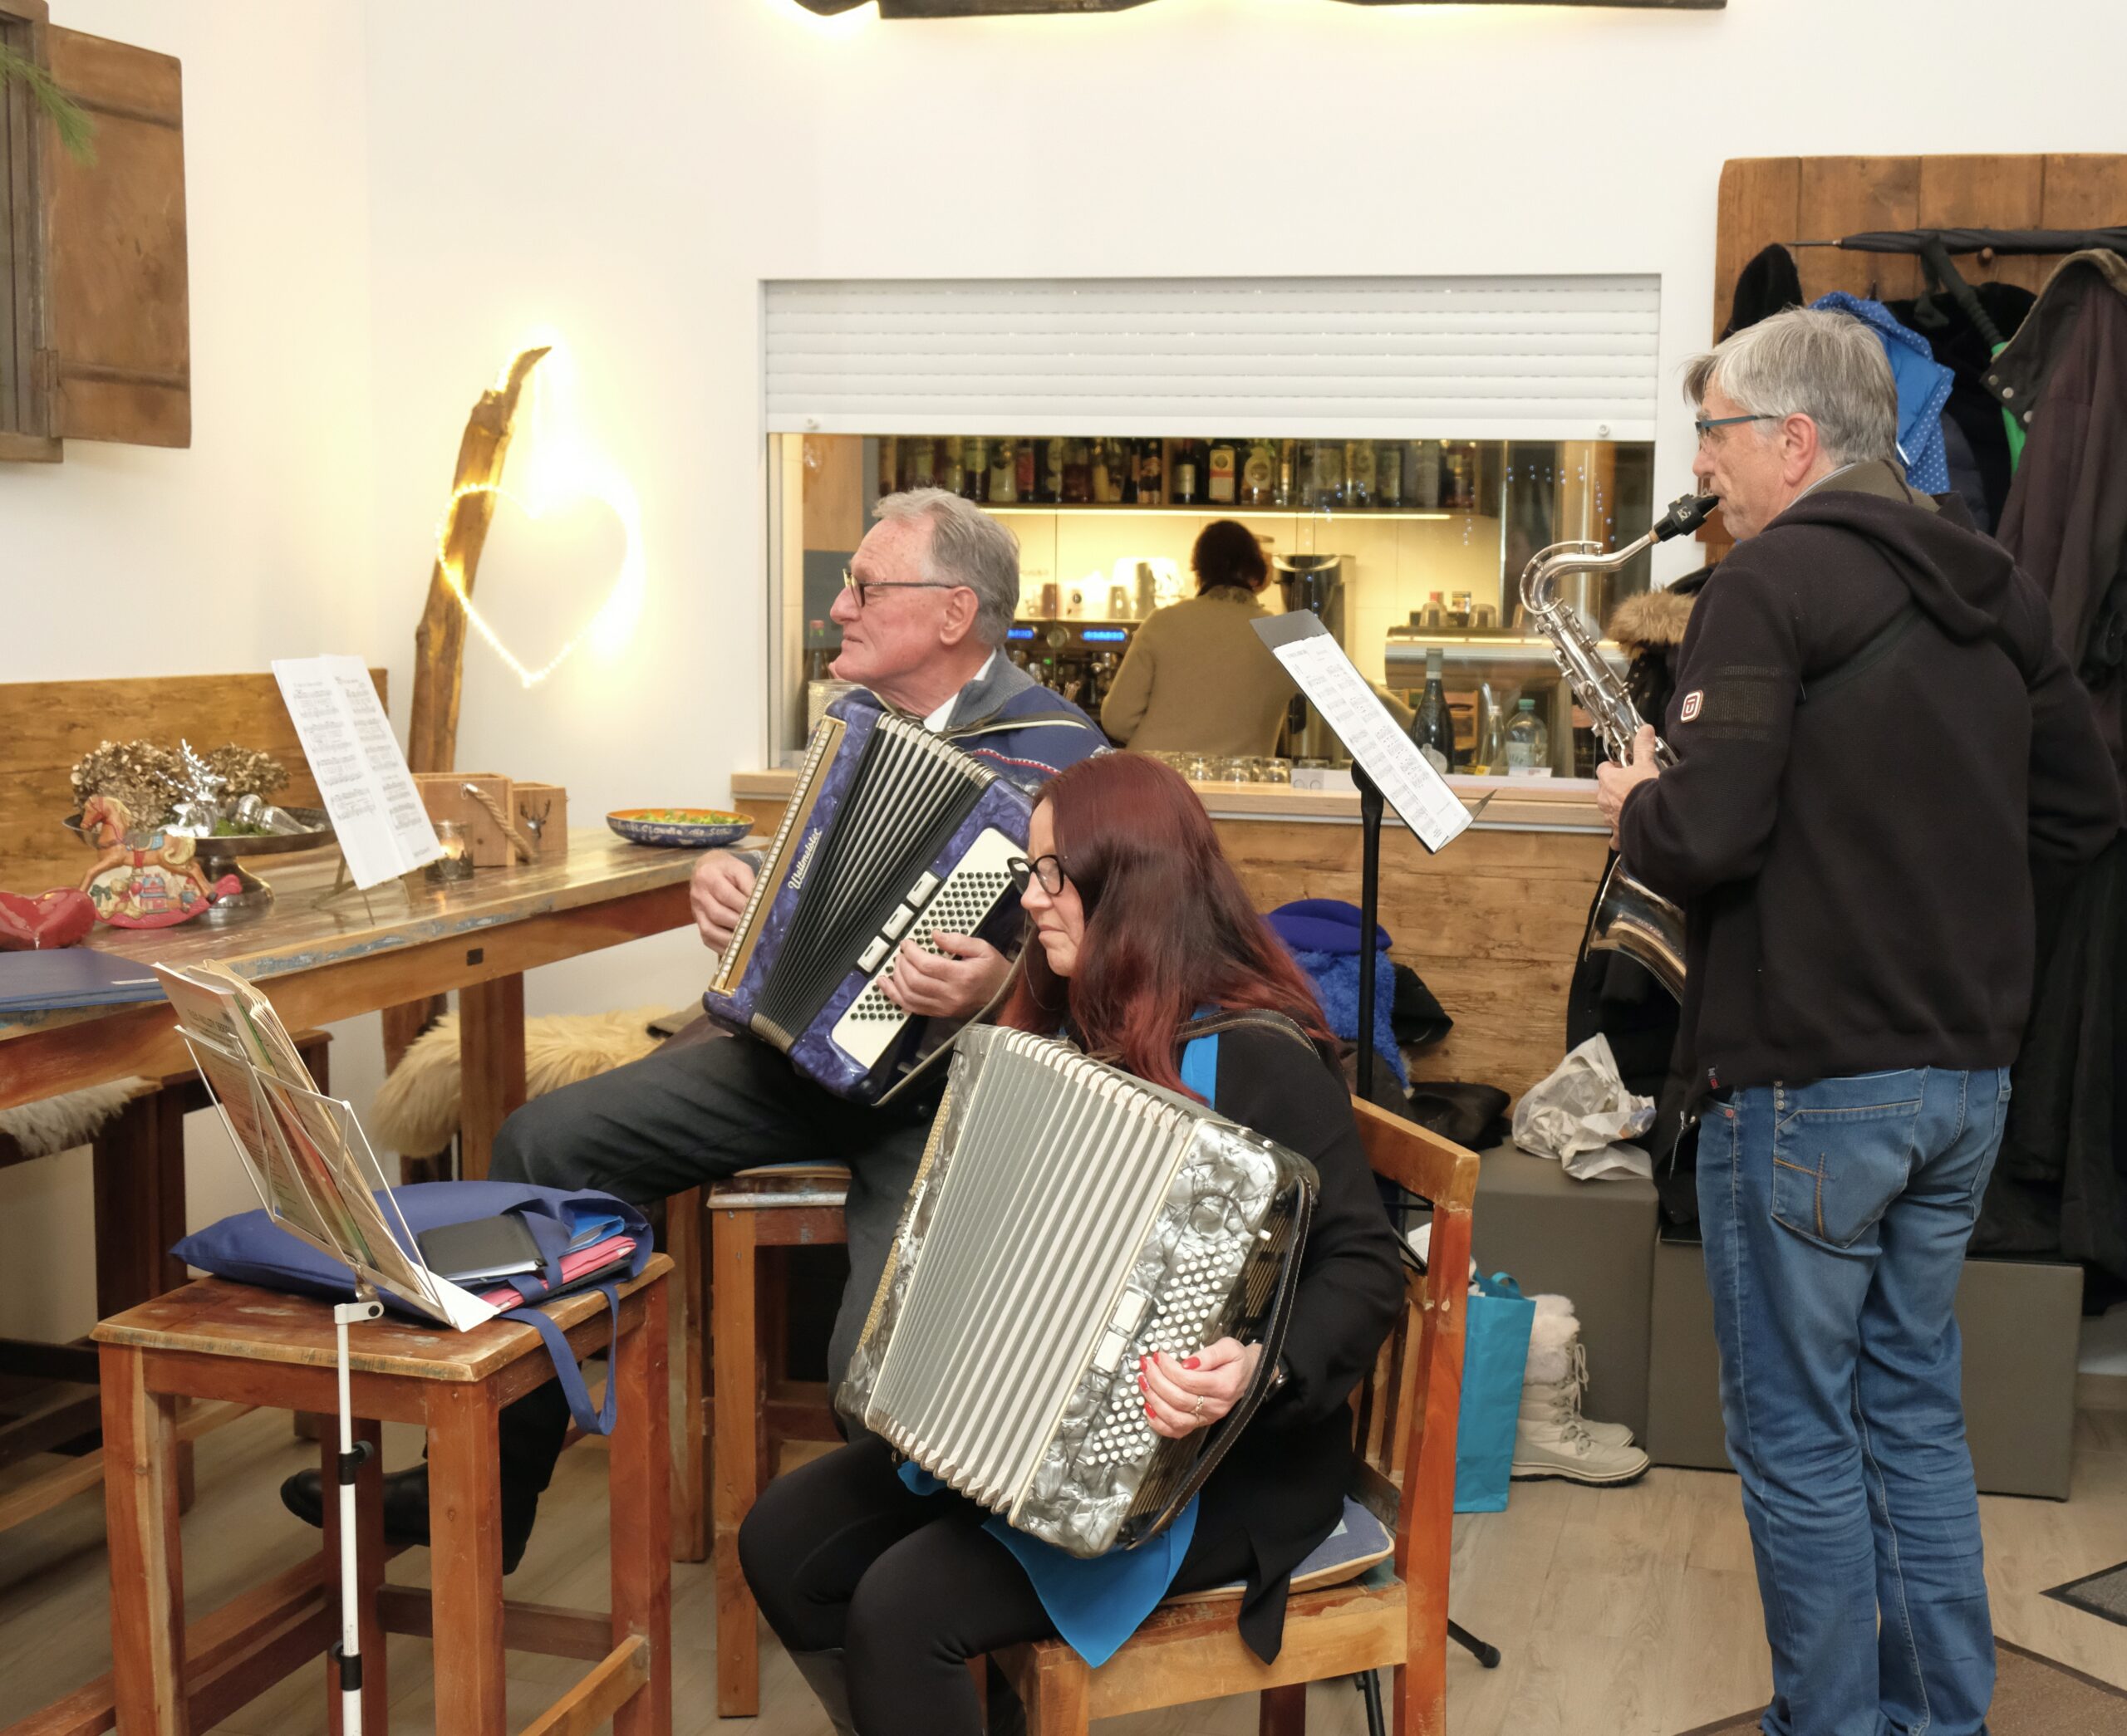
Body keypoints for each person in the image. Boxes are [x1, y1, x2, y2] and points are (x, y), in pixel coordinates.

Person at [278, 488, 1109, 1568]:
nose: (840, 607)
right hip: (795, 1064)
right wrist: (736, 878)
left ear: (954, 612)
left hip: (946, 1101)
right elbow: (807, 858)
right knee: (542, 1144)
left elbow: (1111, 962)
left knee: (875, 1370)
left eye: (865, 588)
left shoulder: (1065, 757)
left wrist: (1000, 984)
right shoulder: (858, 724)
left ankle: (915, 1609)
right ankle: (485, 1487)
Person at [1595, 307, 2119, 1736]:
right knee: (1913, 1412)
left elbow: (1704, 834)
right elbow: (2082, 813)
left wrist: (1636, 800)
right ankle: (1941, 1719)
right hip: (1965, 1082)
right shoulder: (1997, 582)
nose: (1701, 469)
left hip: (1808, 1083)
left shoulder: (1766, 585)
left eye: (1714, 435)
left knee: (1798, 1436)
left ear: (1794, 440)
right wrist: (1944, 908)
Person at [739, 752, 1404, 1736]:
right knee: (782, 1538)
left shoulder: (1259, 1056)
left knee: (903, 1609)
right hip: (1024, 1431)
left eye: (1052, 873)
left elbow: (1366, 1264)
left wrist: (1259, 1366)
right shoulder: (1066, 1030)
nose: (1030, 897)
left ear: (1128, 884)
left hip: (1223, 1465)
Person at [1099, 519, 1295, 757]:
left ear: (1198, 569)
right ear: (1259, 571)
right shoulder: (1282, 637)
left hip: (1156, 772)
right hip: (1239, 776)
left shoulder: (1164, 622)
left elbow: (1117, 720)